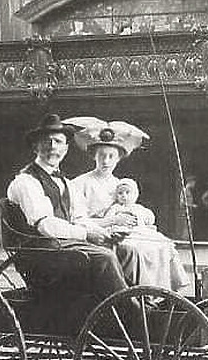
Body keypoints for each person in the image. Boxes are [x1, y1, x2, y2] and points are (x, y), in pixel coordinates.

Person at [5, 113, 139, 302]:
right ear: (36, 146)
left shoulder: (65, 183)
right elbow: (45, 225)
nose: (53, 147)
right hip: (41, 253)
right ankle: (131, 314)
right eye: (47, 141)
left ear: (66, 148)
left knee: (126, 251)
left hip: (61, 247)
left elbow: (79, 219)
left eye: (58, 142)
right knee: (104, 257)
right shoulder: (26, 181)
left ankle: (116, 309)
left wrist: (105, 233)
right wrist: (87, 235)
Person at [66, 116, 190, 292]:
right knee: (133, 249)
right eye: (102, 156)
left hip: (123, 233)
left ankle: (162, 293)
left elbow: (131, 208)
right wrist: (113, 221)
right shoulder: (79, 183)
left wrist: (138, 217)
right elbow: (77, 221)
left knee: (162, 244)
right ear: (94, 156)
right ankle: (139, 294)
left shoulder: (120, 184)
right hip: (96, 236)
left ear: (118, 159)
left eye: (111, 156)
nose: (106, 161)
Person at [105, 178, 191, 291]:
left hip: (141, 232)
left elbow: (150, 218)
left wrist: (141, 216)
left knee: (165, 243)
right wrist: (116, 220)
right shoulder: (115, 208)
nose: (124, 196)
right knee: (141, 249)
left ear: (135, 194)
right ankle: (146, 285)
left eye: (127, 193)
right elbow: (108, 220)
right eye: (120, 193)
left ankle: (171, 282)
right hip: (126, 234)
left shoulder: (139, 208)